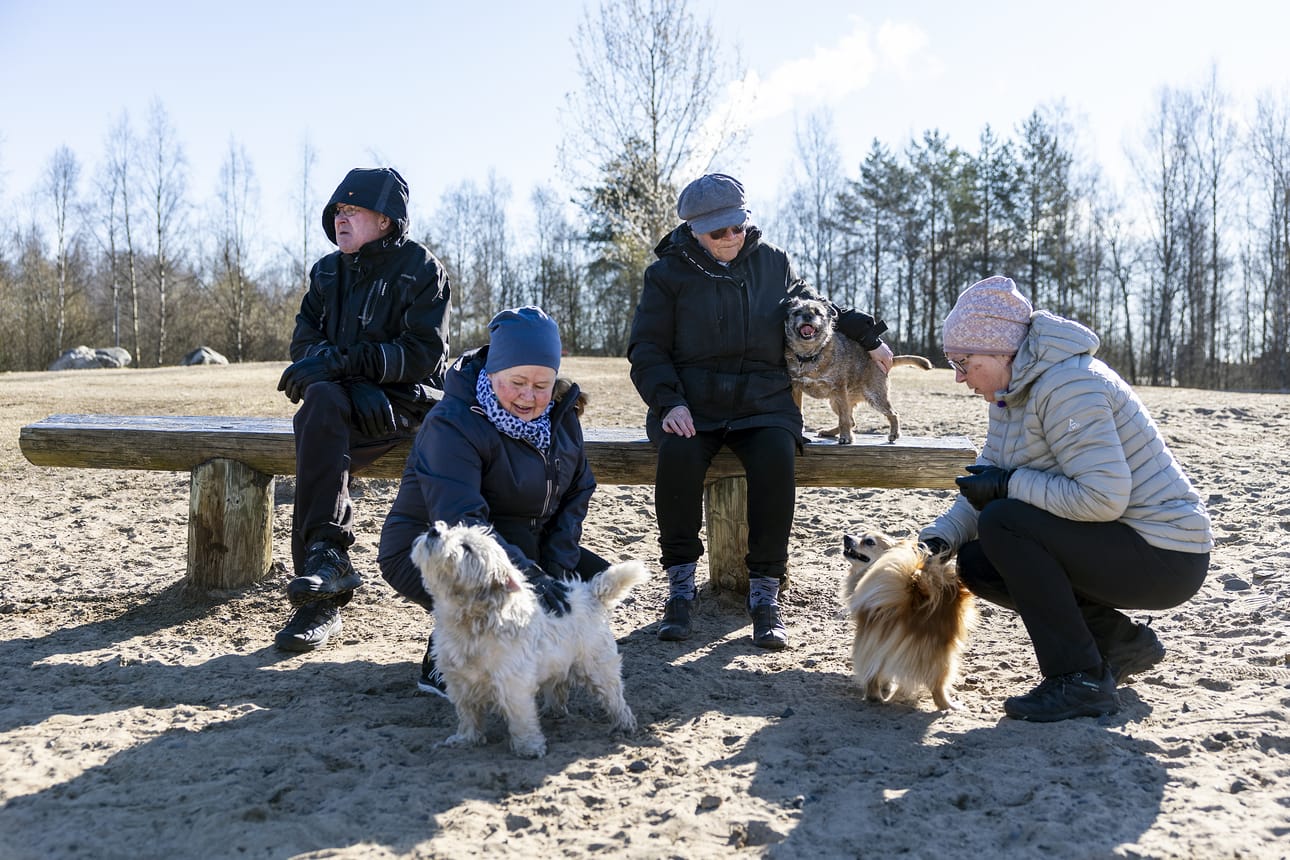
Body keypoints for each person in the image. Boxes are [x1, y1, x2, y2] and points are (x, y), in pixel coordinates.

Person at [918, 275, 1212, 722]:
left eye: (963, 361)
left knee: (1005, 521)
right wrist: (940, 538)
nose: (959, 377)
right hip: (1120, 541)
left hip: (1167, 553)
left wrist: (1007, 486)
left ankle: (1080, 680)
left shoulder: (1069, 386)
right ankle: (1119, 645)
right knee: (978, 562)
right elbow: (985, 480)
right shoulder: (1011, 395)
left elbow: (1102, 498)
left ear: (1000, 351)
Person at [628, 173, 894, 650]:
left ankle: (765, 593)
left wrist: (868, 335)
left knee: (777, 458)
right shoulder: (666, 275)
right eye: (718, 232)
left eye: (738, 228)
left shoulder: (773, 262)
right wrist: (668, 402)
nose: (731, 239)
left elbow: (818, 305)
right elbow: (646, 348)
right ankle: (681, 587)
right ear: (693, 231)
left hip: (762, 403)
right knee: (678, 460)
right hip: (693, 402)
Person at [378, 306, 607, 695]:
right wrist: (531, 579)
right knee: (509, 594)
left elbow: (576, 494)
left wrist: (555, 569)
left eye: (541, 385)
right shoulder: (453, 422)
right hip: (433, 549)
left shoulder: (562, 416)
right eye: (517, 381)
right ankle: (446, 656)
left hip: (522, 541)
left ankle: (518, 646)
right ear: (492, 372)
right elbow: (461, 521)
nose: (528, 396)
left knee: (592, 586)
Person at [273, 167, 451, 652]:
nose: (341, 218)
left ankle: (324, 580)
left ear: (387, 221)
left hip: (405, 405)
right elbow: (305, 342)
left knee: (321, 412)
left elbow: (424, 356)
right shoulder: (326, 272)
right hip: (345, 402)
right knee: (321, 403)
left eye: (352, 210)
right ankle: (325, 570)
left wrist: (355, 369)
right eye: (337, 210)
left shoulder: (422, 269)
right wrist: (347, 376)